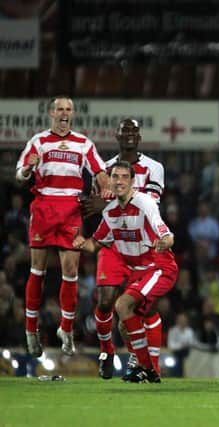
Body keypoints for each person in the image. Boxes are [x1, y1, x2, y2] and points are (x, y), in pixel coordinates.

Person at [16, 95, 110, 357]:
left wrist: (103, 186)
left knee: (71, 271)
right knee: (38, 271)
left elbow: (100, 171)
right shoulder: (38, 141)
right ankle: (30, 329)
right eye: (60, 109)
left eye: (68, 109)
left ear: (73, 114)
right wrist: (27, 170)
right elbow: (19, 174)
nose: (64, 113)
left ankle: (66, 329)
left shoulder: (83, 143)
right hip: (44, 207)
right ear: (51, 113)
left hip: (70, 210)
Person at [73, 161, 177, 383]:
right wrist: (80, 242)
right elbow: (95, 244)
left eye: (124, 177)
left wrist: (166, 241)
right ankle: (145, 367)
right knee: (123, 324)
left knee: (121, 305)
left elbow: (164, 232)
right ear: (109, 181)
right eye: (115, 176)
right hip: (139, 272)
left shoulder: (145, 203)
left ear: (132, 181)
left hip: (159, 266)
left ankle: (148, 368)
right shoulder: (110, 212)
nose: (119, 181)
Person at [81, 118, 165, 380]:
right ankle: (107, 351)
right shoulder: (104, 170)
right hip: (114, 243)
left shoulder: (154, 167)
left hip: (143, 244)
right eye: (124, 131)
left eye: (133, 131)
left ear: (139, 137)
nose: (129, 135)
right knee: (105, 301)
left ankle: (149, 365)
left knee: (145, 308)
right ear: (116, 136)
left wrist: (103, 204)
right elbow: (93, 206)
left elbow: (148, 203)